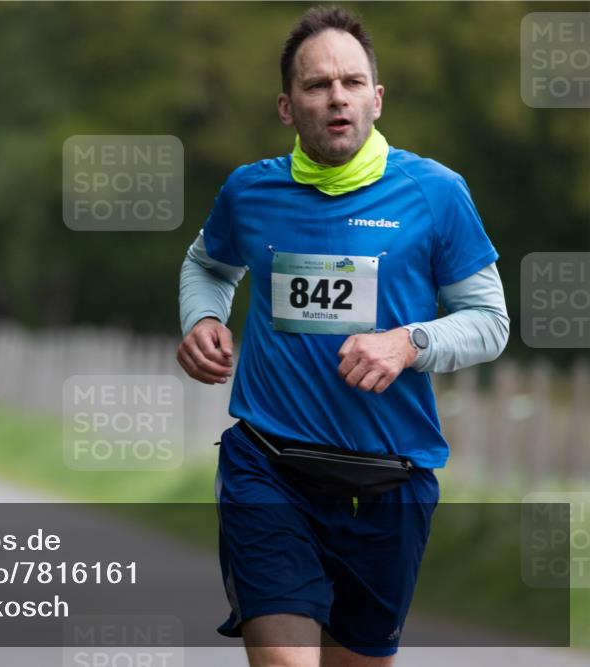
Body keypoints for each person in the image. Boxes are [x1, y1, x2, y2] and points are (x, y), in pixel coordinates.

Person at [177, 8, 509, 666]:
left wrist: (406, 342)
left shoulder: (436, 193)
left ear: (376, 98)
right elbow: (208, 264)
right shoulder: (251, 191)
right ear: (286, 105)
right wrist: (203, 318)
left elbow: (490, 321)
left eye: (353, 82)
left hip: (389, 485)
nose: (337, 97)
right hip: (269, 468)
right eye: (317, 84)